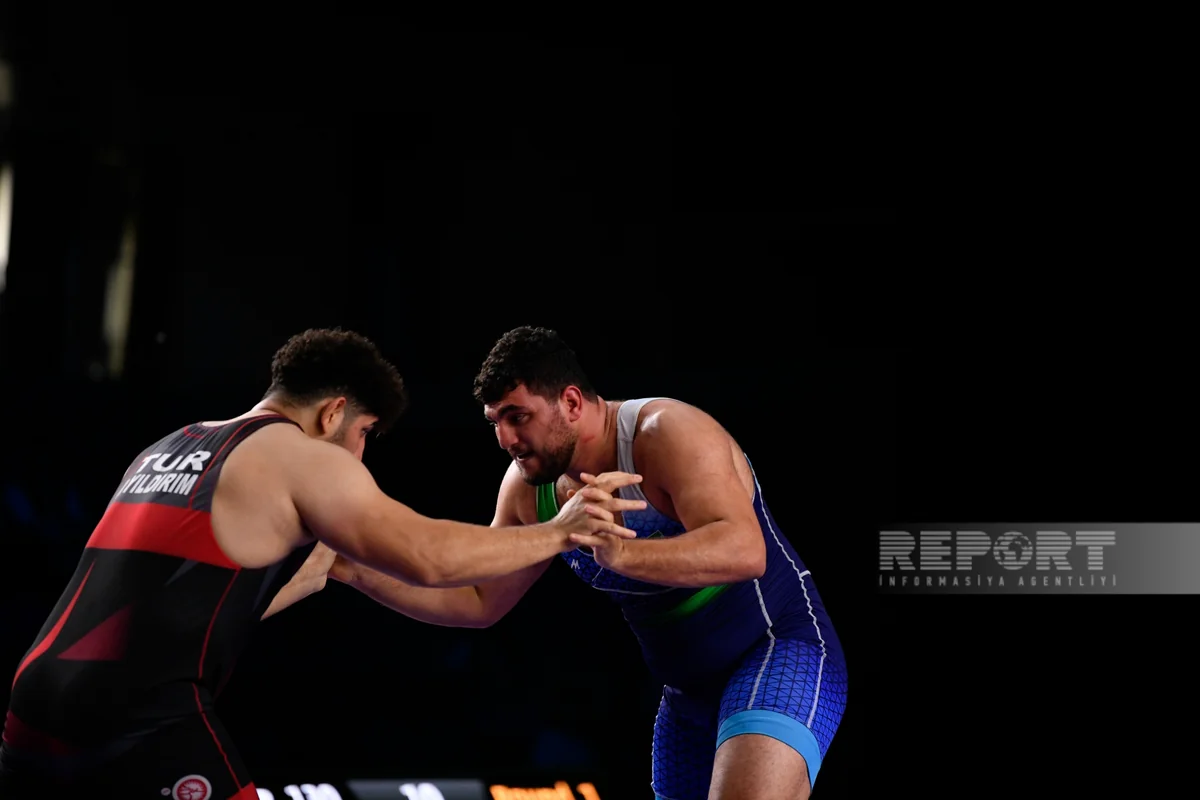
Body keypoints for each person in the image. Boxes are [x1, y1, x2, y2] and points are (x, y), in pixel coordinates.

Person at [0, 327, 645, 800]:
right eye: (363, 434)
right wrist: (561, 532)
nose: (358, 458)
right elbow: (430, 555)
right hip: (134, 718)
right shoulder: (302, 456)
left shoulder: (170, 446)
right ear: (334, 411)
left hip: (30, 707)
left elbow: (192, 602)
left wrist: (343, 571)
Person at [327, 326, 848, 800]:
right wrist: (351, 570)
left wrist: (622, 553)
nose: (506, 440)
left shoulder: (665, 433)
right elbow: (479, 599)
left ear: (572, 402)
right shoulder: (529, 491)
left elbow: (744, 550)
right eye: (495, 422)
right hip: (687, 694)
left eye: (518, 416)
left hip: (778, 650)